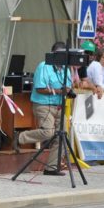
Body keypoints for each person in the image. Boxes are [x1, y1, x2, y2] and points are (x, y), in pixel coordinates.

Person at [19, 41, 73, 176]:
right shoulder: (44, 66)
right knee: (48, 133)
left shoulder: (66, 69)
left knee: (62, 136)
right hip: (43, 105)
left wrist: (67, 90)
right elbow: (40, 88)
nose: (63, 58)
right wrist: (59, 91)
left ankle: (52, 167)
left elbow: (68, 87)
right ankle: (21, 137)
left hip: (59, 106)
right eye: (60, 55)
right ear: (53, 54)